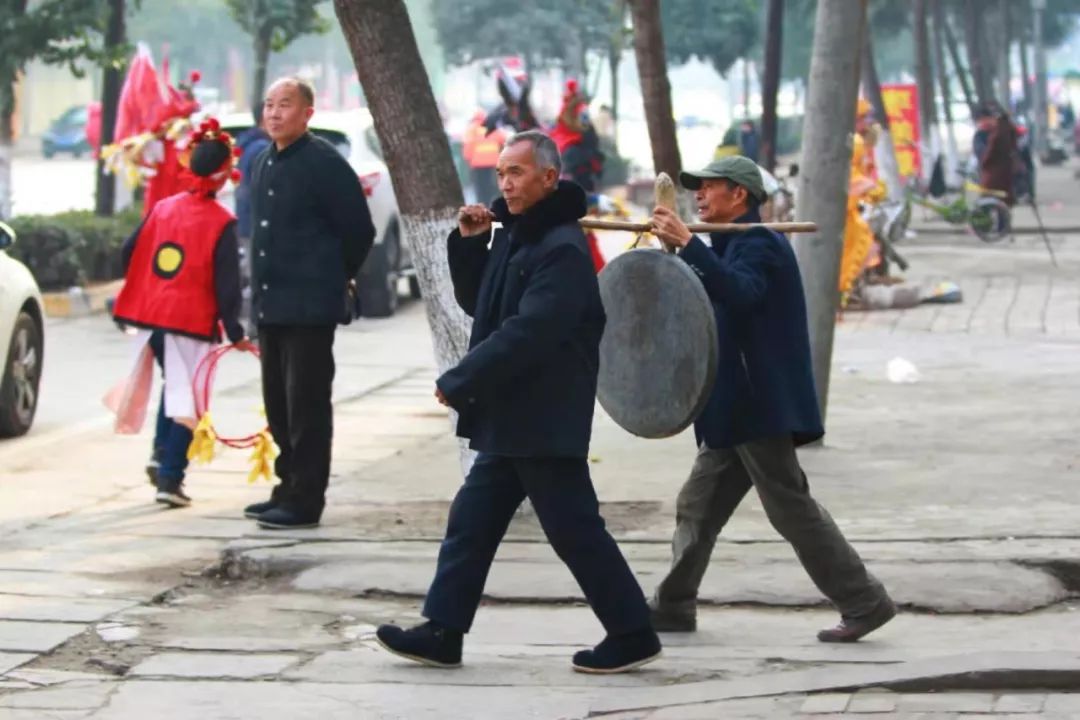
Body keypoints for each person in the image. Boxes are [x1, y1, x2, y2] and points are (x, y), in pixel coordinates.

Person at [374, 131, 661, 674]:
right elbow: (481, 303)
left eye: (518, 173)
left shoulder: (562, 249)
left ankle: (631, 630)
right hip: (515, 416)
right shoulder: (518, 236)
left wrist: (463, 378)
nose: (505, 183)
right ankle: (443, 630)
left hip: (544, 416)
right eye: (502, 173)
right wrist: (469, 243)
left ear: (549, 178)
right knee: (472, 521)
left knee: (574, 531)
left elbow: (531, 331)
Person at [646, 155, 896, 643]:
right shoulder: (726, 245)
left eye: (710, 188)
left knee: (789, 507)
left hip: (756, 405)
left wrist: (690, 245)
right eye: (696, 189)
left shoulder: (759, 242)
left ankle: (864, 601)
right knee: (697, 506)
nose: (699, 196)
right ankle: (673, 605)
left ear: (739, 196)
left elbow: (740, 293)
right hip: (732, 405)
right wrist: (681, 252)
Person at [244, 77, 376, 529]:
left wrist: (332, 277)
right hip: (271, 306)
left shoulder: (324, 163)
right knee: (278, 406)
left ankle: (306, 500)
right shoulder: (263, 161)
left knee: (307, 407)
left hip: (309, 308)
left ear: (307, 114)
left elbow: (360, 231)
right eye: (269, 105)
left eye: (285, 105)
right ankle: (285, 487)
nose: (275, 113)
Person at [109, 118, 252, 507]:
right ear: (225, 173)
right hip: (192, 322)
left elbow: (129, 251)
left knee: (175, 391)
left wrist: (149, 289)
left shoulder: (164, 207)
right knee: (189, 400)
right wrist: (236, 331)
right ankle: (170, 478)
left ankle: (159, 455)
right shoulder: (222, 222)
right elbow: (227, 285)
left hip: (156, 319)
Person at [462, 110, 505, 205]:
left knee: (480, 187)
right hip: (493, 163)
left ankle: (482, 205)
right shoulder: (491, 126)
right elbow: (503, 140)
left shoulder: (471, 129)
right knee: (492, 186)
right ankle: (493, 205)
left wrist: (468, 160)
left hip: (477, 165)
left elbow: (468, 147)